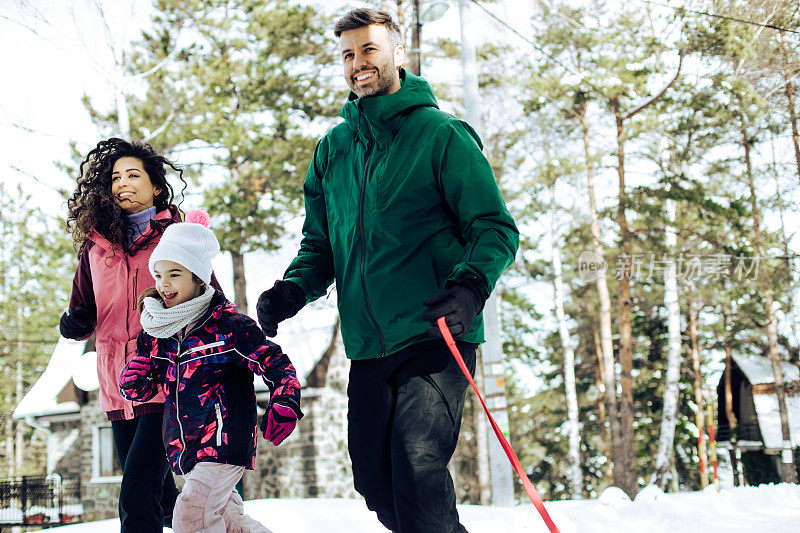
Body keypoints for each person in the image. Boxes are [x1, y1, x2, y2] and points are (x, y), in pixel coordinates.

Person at [255, 8, 519, 533]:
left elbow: (494, 227)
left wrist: (470, 287)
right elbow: (321, 246)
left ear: (399, 52)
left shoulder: (441, 134)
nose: (359, 63)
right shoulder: (333, 151)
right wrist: (292, 290)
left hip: (434, 332)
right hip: (368, 346)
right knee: (376, 482)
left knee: (418, 474)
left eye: (370, 49)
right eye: (348, 54)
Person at [59, 138, 221, 532]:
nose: (122, 183)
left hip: (168, 379)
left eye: (134, 175)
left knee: (135, 492)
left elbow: (213, 305)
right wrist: (75, 322)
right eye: (115, 177)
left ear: (157, 186)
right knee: (161, 500)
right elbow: (82, 308)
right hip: (118, 384)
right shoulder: (95, 247)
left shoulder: (177, 238)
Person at [120, 210, 302, 533]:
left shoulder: (229, 326)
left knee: (191, 517)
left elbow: (276, 364)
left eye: (174, 274)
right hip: (186, 450)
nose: (163, 284)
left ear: (198, 277)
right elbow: (152, 388)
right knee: (230, 522)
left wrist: (284, 402)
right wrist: (135, 383)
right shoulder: (158, 331)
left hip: (223, 442)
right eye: (158, 275)